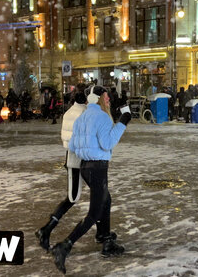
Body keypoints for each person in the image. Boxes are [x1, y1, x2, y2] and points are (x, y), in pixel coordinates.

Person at [51, 85, 132, 274]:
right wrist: (123, 122)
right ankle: (65, 246)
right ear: (99, 98)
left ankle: (104, 236)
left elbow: (73, 145)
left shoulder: (83, 117)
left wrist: (88, 149)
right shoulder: (102, 117)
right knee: (94, 213)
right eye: (106, 96)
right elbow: (108, 143)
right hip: (97, 168)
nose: (109, 99)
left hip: (86, 167)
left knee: (106, 200)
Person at [35, 85, 90, 252]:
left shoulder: (68, 113)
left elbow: (64, 139)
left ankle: (103, 233)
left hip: (72, 159)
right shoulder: (85, 115)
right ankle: (46, 229)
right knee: (73, 198)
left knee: (98, 198)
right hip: (80, 161)